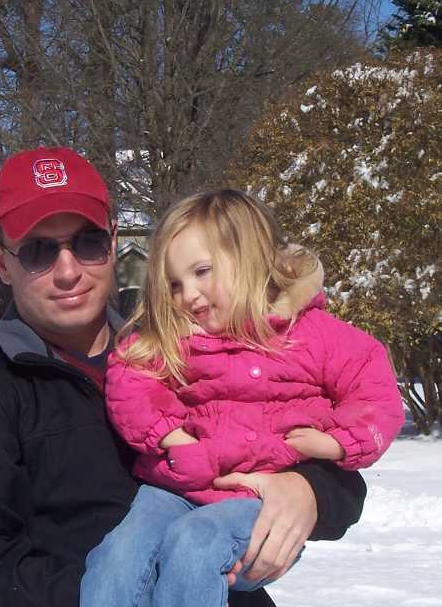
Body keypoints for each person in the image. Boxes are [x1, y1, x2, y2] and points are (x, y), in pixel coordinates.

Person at [0, 148, 370, 607]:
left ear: (112, 241)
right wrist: (141, 584)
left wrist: (309, 492)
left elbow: (331, 459)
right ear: (1, 262)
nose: (68, 271)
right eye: (38, 252)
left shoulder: (186, 347)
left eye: (87, 242)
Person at [81, 189, 404, 607]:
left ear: (250, 258)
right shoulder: (176, 337)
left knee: (195, 546)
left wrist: (338, 443)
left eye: (202, 272)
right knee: (116, 560)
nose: (188, 295)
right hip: (174, 488)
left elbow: (373, 388)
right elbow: (130, 377)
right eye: (175, 284)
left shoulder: (311, 333)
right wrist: (170, 436)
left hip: (256, 498)